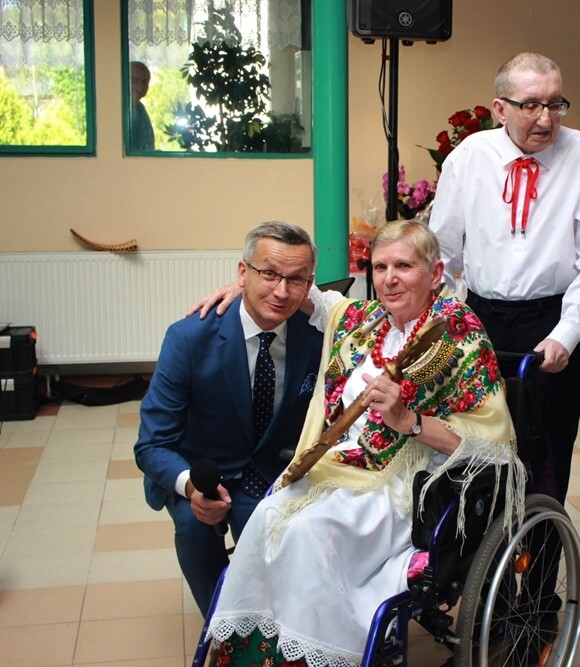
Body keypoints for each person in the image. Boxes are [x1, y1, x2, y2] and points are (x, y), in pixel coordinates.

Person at [206, 220, 525, 665]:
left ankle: (316, 654)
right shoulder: (366, 321)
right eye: (380, 267)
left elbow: (489, 447)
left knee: (309, 532)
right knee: (268, 515)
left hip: (404, 486)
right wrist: (244, 286)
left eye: (404, 266)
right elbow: (311, 297)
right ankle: (253, 654)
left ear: (435, 273)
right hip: (336, 467)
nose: (389, 278)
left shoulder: (459, 335)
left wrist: (409, 421)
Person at [429, 51, 580, 506]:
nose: (546, 119)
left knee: (546, 450)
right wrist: (440, 320)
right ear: (500, 108)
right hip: (479, 320)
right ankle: (481, 544)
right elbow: (440, 252)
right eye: (531, 105)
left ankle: (540, 548)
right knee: (475, 445)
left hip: (553, 320)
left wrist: (566, 335)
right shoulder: (470, 156)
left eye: (555, 104)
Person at [134, 221, 323, 616]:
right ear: (242, 273)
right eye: (268, 274)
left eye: (296, 279)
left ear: (309, 285)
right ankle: (221, 629)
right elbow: (152, 444)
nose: (281, 291)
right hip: (203, 469)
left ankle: (282, 624)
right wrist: (191, 487)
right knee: (195, 527)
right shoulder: (189, 339)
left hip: (273, 470)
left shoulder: (319, 335)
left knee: (291, 538)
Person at [129, 61, 155, 150]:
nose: (139, 87)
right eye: (134, 81)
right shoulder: (117, 109)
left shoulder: (140, 109)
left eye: (144, 82)